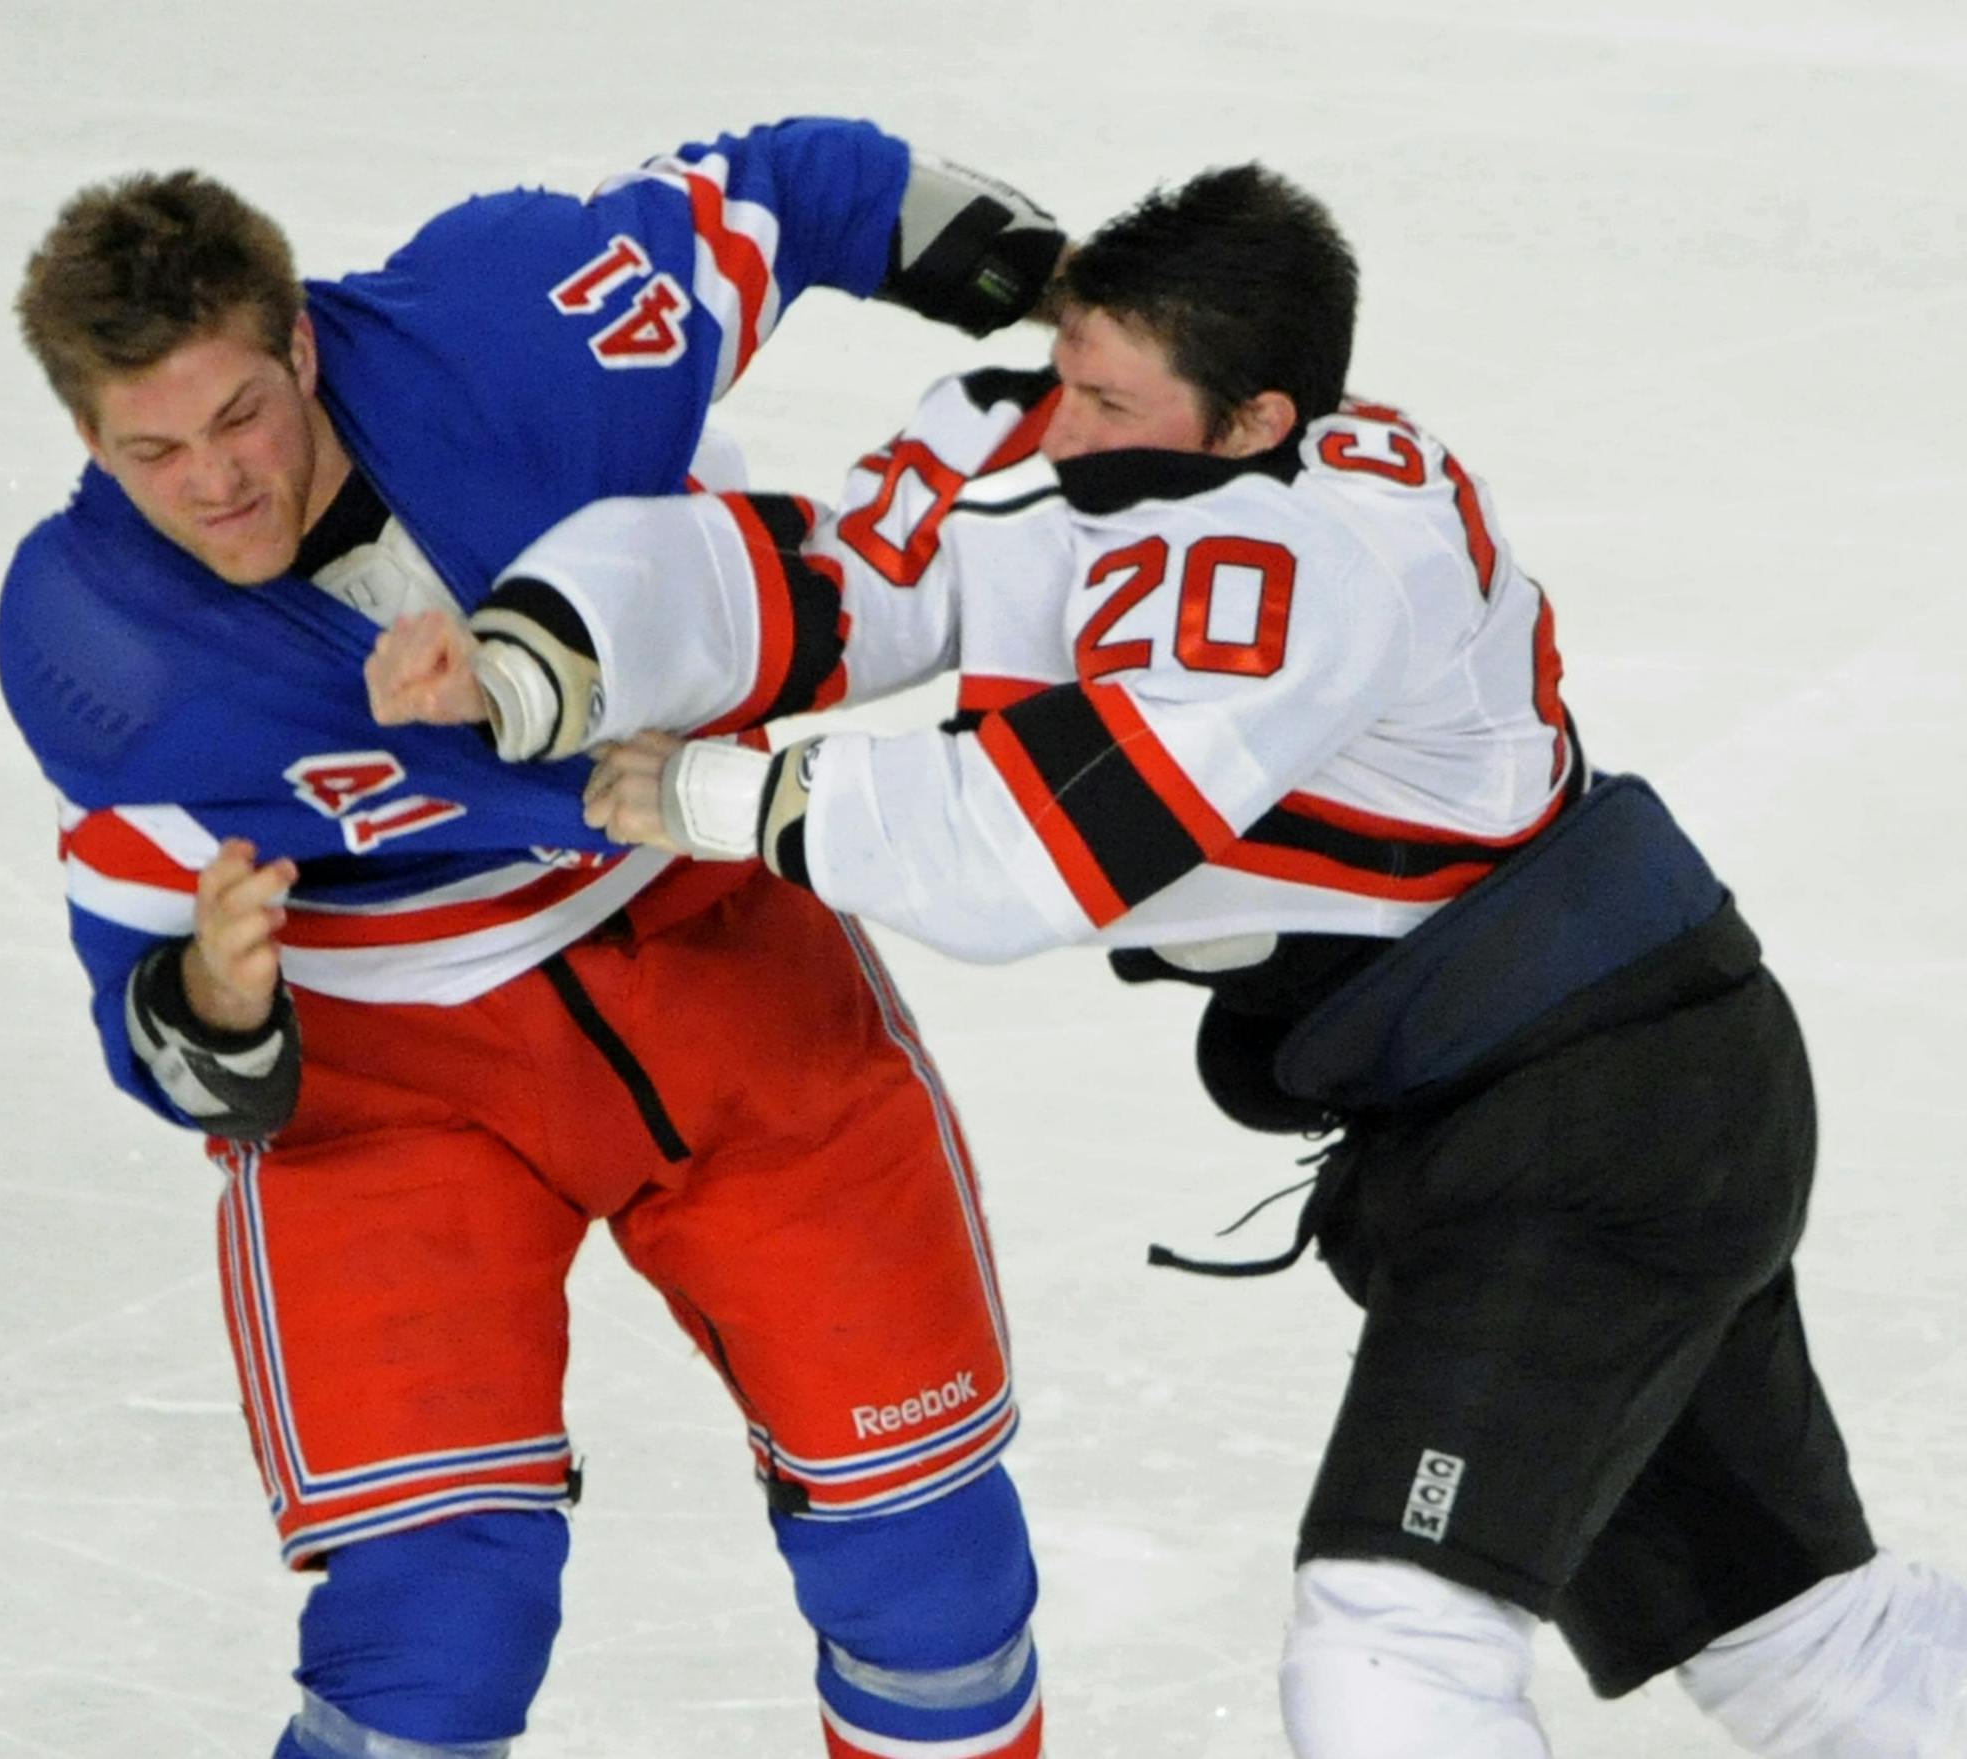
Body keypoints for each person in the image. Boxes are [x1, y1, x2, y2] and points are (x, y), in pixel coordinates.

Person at [367, 164, 1967, 1756]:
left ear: (1261, 421)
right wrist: (552, 649)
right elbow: (837, 570)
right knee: (1811, 1648)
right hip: (1566, 1091)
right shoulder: (1102, 431)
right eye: (1067, 371)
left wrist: (735, 793)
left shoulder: (1322, 560)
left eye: (1106, 397)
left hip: (1591, 1128)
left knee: (1389, 1658)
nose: (1055, 426)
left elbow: (1053, 836)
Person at [0, 122, 1070, 1759]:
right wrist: (212, 994)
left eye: (239, 413)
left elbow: (801, 187)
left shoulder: (522, 323)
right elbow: (143, 1018)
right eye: (150, 452)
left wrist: (1074, 290)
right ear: (85, 436)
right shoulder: (96, 644)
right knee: (433, 1648)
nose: (214, 481)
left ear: (302, 340)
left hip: (713, 951)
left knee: (932, 1572)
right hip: (390, 1082)